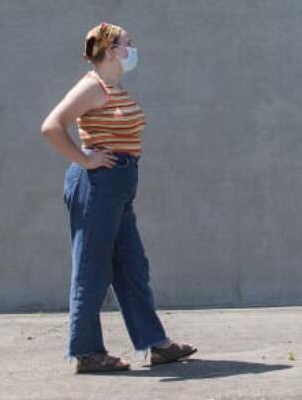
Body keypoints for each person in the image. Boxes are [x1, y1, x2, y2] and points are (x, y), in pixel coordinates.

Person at [40, 22, 196, 373]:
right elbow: (52, 125)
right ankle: (86, 352)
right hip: (98, 184)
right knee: (92, 267)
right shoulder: (91, 87)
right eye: (128, 43)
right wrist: (85, 159)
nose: (132, 49)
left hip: (120, 184)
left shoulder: (114, 87)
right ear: (111, 51)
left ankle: (155, 344)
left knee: (131, 265)